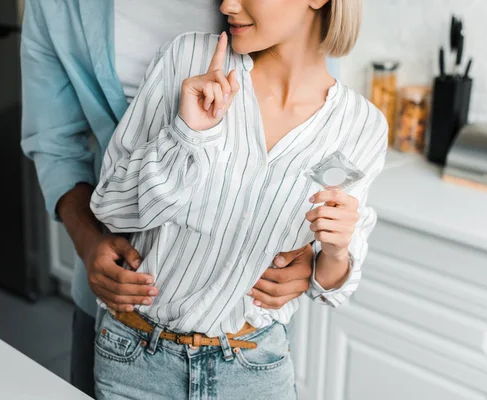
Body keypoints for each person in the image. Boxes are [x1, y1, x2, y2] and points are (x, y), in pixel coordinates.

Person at [20, 1, 334, 397]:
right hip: (119, 309)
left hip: (242, 329)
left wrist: (307, 249)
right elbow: (54, 142)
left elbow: (313, 130)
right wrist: (87, 240)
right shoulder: (58, 6)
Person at [90, 0, 386, 398]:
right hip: (136, 361)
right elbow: (112, 208)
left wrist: (333, 253)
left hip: (252, 371)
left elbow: (334, 286)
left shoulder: (361, 126)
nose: (227, 4)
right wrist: (187, 136)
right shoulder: (189, 59)